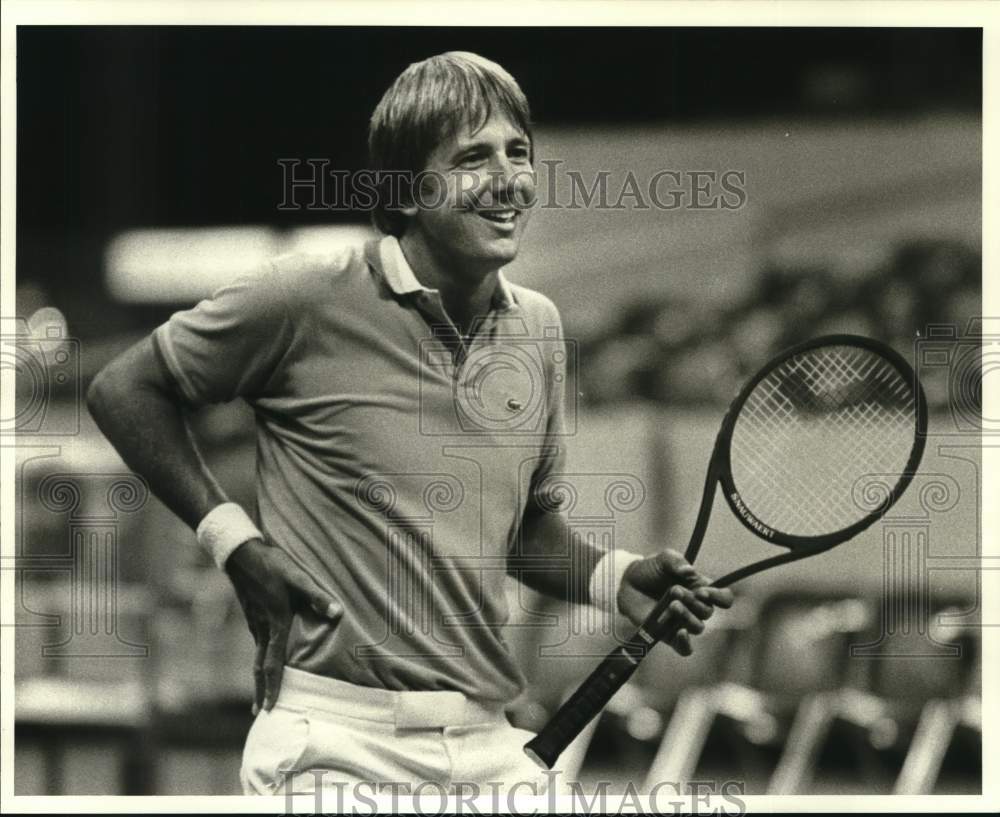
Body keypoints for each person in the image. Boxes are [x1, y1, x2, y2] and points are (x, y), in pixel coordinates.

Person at [87, 51, 733, 798]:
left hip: (494, 744)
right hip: (334, 743)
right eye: (471, 158)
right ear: (405, 193)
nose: (507, 179)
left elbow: (518, 533)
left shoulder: (541, 329)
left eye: (517, 152)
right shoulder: (306, 297)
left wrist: (616, 578)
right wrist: (235, 543)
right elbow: (123, 388)